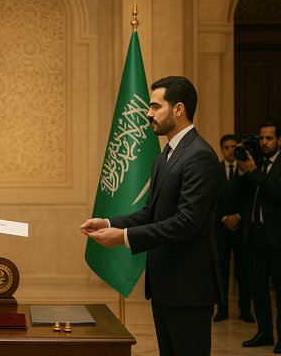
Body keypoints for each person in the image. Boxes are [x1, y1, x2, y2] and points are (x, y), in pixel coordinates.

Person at [79, 76, 222, 356]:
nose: (148, 113)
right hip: (165, 285)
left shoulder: (200, 156)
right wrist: (109, 223)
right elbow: (150, 213)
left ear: (178, 109)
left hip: (189, 287)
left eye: (156, 107)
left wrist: (124, 237)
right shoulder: (163, 156)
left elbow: (187, 222)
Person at [238, 120, 281, 353]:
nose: (264, 142)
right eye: (261, 138)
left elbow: (277, 195)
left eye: (269, 138)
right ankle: (264, 333)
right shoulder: (255, 163)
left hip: (276, 238)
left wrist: (254, 172)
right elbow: (240, 194)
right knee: (257, 288)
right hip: (253, 235)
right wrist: (244, 168)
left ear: (279, 141)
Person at [213, 134, 254, 323]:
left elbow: (249, 197)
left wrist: (238, 217)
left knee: (243, 270)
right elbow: (212, 199)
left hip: (241, 227)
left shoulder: (245, 169)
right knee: (221, 271)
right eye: (226, 148)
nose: (230, 151)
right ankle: (222, 309)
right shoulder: (215, 169)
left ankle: (245, 309)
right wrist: (223, 218)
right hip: (220, 228)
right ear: (221, 149)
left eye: (232, 147)